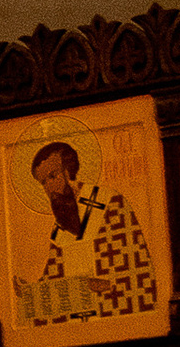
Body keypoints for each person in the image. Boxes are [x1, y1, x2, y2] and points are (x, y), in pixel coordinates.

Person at [19, 140, 156, 326]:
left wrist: (90, 286)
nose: (49, 188)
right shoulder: (61, 226)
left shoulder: (111, 204)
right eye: (43, 182)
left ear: (69, 171)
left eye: (52, 176)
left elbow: (136, 276)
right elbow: (54, 277)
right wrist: (29, 292)